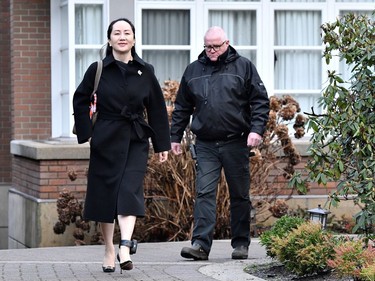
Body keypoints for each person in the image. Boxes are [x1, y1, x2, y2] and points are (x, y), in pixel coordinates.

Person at [73, 18, 170, 273]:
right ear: (109, 39)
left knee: (129, 190)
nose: (122, 36)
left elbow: (157, 109)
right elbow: (80, 99)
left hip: (136, 138)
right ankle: (108, 248)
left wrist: (162, 145)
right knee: (106, 196)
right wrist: (87, 133)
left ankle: (124, 246)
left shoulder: (145, 70)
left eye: (127, 32)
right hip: (105, 138)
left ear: (134, 39)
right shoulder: (98, 69)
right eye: (117, 33)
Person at [170, 26, 269, 260]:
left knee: (239, 194)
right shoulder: (193, 70)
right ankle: (200, 245)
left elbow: (260, 101)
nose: (212, 50)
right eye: (208, 46)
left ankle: (241, 244)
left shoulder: (243, 67)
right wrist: (174, 137)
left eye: (216, 46)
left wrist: (256, 131)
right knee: (204, 193)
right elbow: (182, 106)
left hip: (236, 142)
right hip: (205, 143)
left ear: (227, 43)